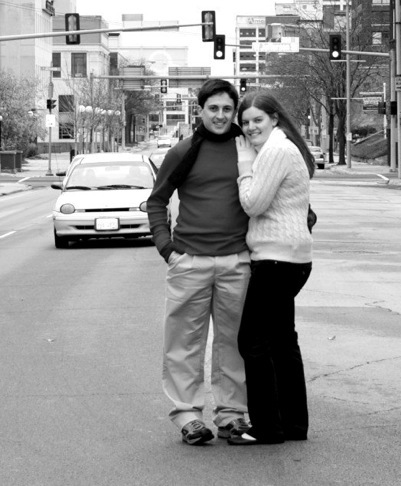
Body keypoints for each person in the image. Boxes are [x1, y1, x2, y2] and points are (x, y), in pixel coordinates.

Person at [147, 79, 251, 445]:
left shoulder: (248, 149)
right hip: (189, 262)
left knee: (234, 343)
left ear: (234, 112)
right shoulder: (183, 151)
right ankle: (188, 415)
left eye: (227, 109)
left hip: (237, 262)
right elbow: (157, 201)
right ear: (201, 110)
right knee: (183, 344)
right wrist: (167, 248)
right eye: (213, 108)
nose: (220, 116)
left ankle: (232, 415)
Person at [228, 90, 315, 445]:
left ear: (274, 118)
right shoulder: (283, 147)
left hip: (276, 259)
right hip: (292, 257)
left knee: (253, 341)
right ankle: (293, 425)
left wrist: (244, 168)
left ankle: (266, 427)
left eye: (257, 120)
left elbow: (253, 204)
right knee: (281, 340)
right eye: (245, 122)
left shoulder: (275, 151)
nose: (250, 127)